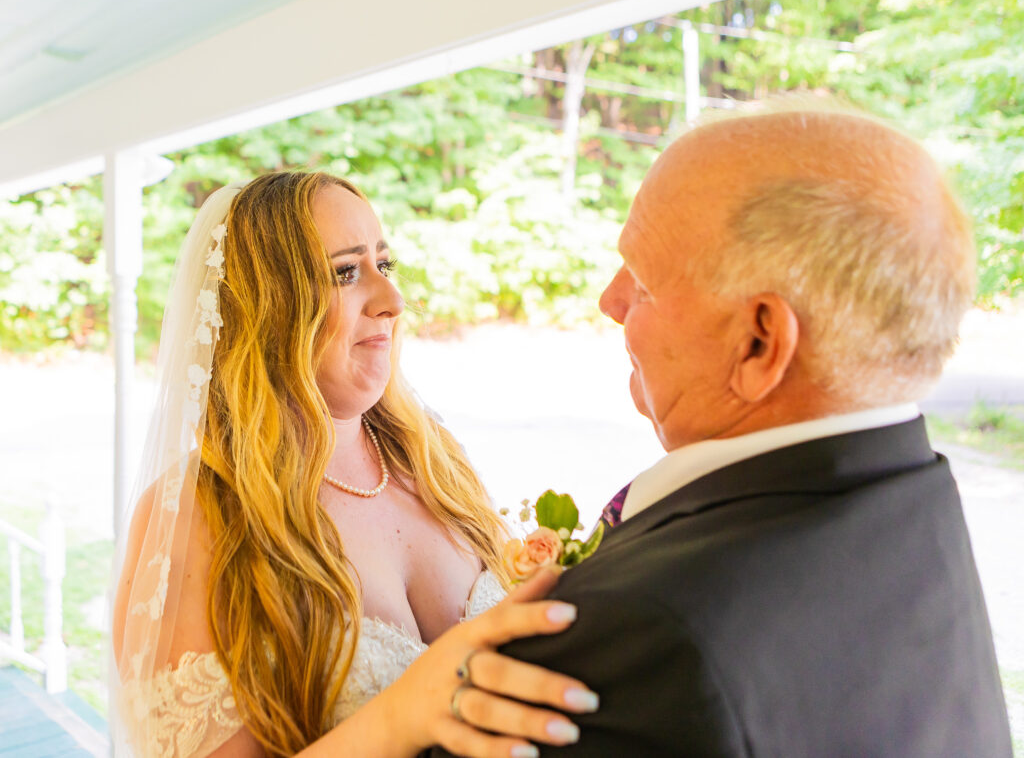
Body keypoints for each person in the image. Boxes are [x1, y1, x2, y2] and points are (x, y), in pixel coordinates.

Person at [436, 101, 1013, 755]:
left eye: (645, 284)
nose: (610, 301)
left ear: (760, 342)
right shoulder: (913, 498)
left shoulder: (647, 636)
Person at [110, 172, 599, 758]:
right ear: (268, 305)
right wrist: (395, 721)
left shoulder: (435, 461)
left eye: (383, 266)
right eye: (345, 272)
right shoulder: (195, 517)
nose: (393, 303)